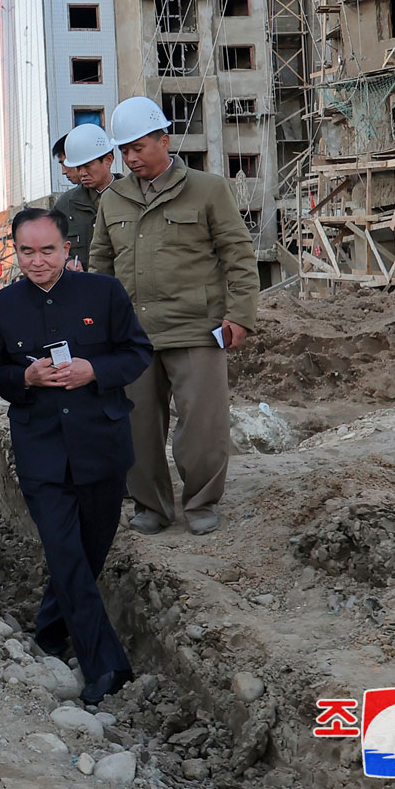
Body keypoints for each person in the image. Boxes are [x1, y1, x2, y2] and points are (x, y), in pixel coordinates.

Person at [0, 207, 153, 706]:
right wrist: (25, 379)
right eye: (27, 251)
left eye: (48, 250)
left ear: (67, 249)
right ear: (15, 250)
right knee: (64, 552)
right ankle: (105, 666)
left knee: (89, 553)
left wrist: (92, 370)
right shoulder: (1, 306)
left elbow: (136, 353)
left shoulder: (104, 294)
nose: (37, 261)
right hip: (42, 449)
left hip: (101, 444)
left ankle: (50, 631)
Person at [90, 96, 259, 537]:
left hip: (197, 329)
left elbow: (238, 255)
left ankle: (202, 502)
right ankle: (152, 506)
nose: (130, 158)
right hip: (132, 336)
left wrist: (240, 314)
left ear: (164, 140)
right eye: (124, 151)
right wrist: (97, 327)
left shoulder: (207, 189)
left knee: (203, 427)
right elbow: (100, 266)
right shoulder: (113, 199)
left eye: (139, 148)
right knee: (136, 427)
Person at [53, 124, 120, 264]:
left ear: (108, 160)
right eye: (78, 167)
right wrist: (67, 261)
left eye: (87, 166)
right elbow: (51, 243)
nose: (82, 173)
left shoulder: (133, 197)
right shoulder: (65, 204)